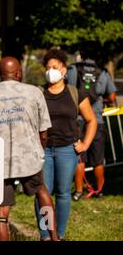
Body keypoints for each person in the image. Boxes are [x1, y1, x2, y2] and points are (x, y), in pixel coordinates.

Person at [0, 56, 59, 241]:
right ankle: (53, 237)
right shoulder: (34, 92)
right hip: (29, 157)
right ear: (19, 73)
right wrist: (40, 150)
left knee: (1, 210)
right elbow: (44, 130)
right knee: (42, 193)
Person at [36, 49, 97, 241]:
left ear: (64, 70)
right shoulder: (38, 93)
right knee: (42, 193)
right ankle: (45, 235)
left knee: (63, 194)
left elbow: (91, 120)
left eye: (54, 67)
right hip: (43, 151)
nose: (50, 71)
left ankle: (59, 235)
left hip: (67, 151)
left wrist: (85, 144)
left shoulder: (75, 93)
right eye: (47, 68)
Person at [67, 49, 117, 200]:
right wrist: (102, 101)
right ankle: (99, 191)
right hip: (97, 120)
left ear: (82, 55)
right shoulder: (103, 72)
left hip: (78, 119)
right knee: (98, 159)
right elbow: (112, 95)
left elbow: (68, 90)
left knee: (79, 157)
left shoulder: (74, 68)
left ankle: (79, 191)